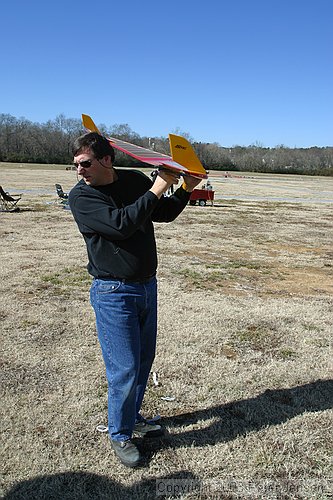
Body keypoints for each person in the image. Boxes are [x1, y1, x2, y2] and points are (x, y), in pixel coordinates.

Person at [68, 132, 201, 467]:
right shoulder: (82, 198)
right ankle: (120, 434)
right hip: (113, 293)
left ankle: (132, 417)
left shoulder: (132, 180)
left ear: (107, 160)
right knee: (124, 367)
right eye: (76, 165)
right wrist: (159, 184)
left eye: (85, 164)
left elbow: (163, 213)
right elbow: (121, 226)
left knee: (142, 361)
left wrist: (185, 187)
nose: (79, 171)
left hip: (146, 287)